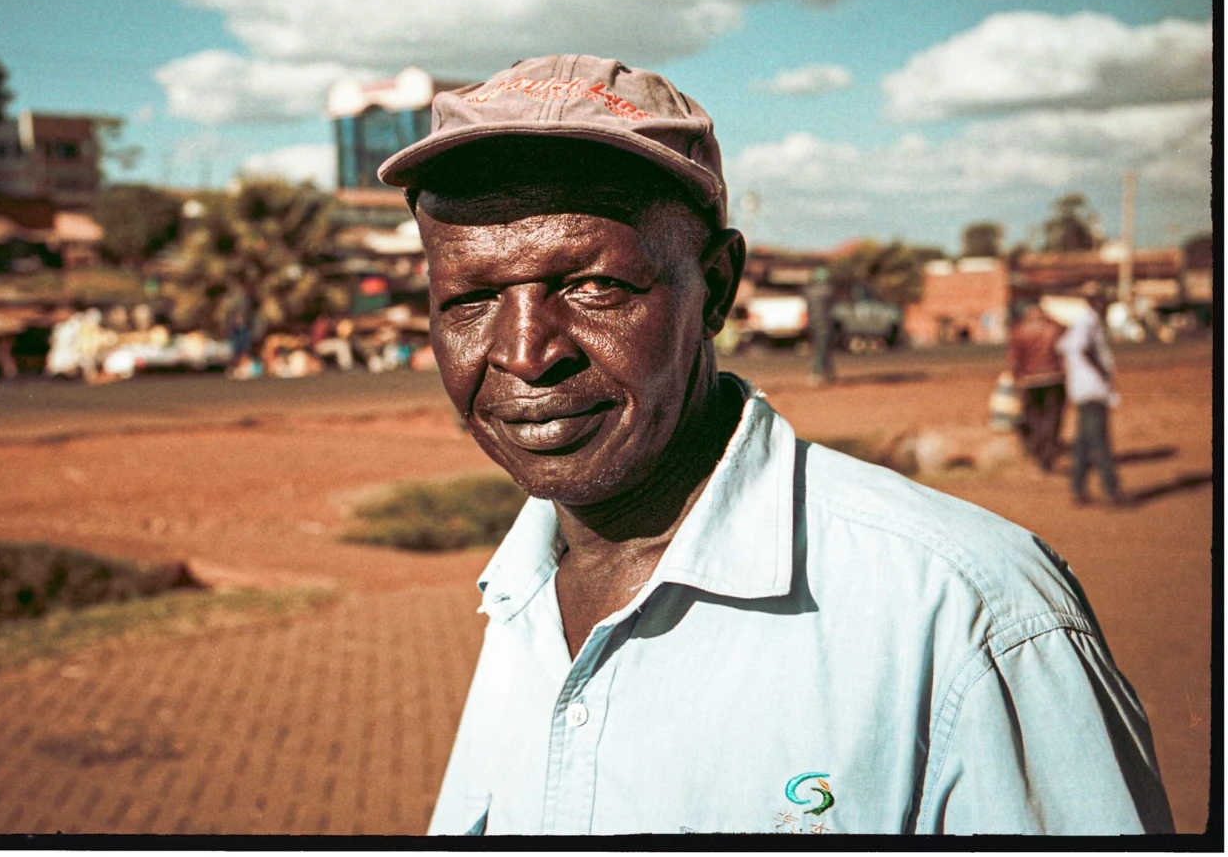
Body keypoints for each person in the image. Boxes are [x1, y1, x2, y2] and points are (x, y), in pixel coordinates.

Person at [377, 54, 1170, 836]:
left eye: (595, 287)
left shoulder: (965, 616)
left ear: (717, 287)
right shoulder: (521, 595)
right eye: (471, 298)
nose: (525, 352)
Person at [1058, 286, 1125, 506]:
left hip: (1084, 389)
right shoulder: (1088, 322)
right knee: (1099, 440)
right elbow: (1081, 348)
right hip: (1092, 389)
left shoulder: (1084, 322)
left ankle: (1078, 489)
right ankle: (1111, 490)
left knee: (1084, 442)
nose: (1105, 305)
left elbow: (1064, 346)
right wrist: (1102, 371)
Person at [1006, 300, 1067, 472]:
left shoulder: (1019, 331)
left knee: (1034, 417)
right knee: (1051, 419)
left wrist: (1016, 378)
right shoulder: (1053, 329)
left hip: (1030, 381)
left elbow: (1014, 359)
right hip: (1053, 378)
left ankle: (1037, 450)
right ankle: (1047, 455)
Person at [803, 265, 836, 385]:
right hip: (824, 324)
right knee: (822, 349)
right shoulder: (828, 290)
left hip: (812, 323)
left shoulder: (809, 290)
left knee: (820, 348)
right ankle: (816, 373)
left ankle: (829, 372)